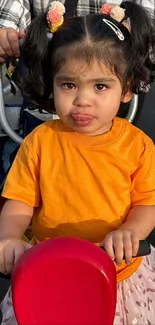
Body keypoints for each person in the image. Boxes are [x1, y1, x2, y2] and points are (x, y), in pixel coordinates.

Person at [0, 0, 155, 324]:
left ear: (127, 88)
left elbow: (147, 204)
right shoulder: (40, 142)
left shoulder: (137, 146)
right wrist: (9, 238)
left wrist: (131, 231)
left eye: (100, 86)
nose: (83, 99)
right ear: (53, 82)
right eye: (69, 85)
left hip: (118, 274)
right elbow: (18, 204)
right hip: (47, 271)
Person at [0, 0, 154, 62]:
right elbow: (13, 7)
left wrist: (140, 31)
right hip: (47, 84)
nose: (83, 100)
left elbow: (149, 17)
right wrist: (5, 33)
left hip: (116, 78)